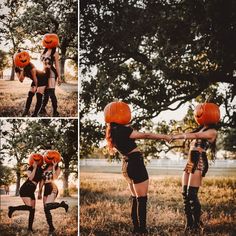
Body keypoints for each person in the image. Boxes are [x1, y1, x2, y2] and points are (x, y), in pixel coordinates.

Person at [104, 101, 170, 235]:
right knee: (142, 199)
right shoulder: (124, 130)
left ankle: (136, 227)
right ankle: (142, 230)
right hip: (135, 163)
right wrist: (164, 137)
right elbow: (146, 135)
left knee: (135, 198)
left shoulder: (112, 131)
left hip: (127, 165)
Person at [170, 103, 219, 233]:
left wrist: (177, 136)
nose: (199, 112)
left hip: (200, 159)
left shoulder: (212, 131)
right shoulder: (201, 128)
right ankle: (189, 223)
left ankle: (197, 224)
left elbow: (196, 137)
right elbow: (195, 135)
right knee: (185, 194)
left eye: (203, 111)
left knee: (192, 194)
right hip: (191, 160)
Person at [8, 154, 44, 232]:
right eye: (35, 160)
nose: (37, 161)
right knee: (29, 207)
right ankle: (12, 208)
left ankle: (30, 228)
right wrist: (34, 168)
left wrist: (40, 192)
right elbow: (30, 178)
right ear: (32, 160)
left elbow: (41, 182)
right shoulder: (30, 168)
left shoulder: (41, 170)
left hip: (32, 190)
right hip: (25, 189)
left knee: (32, 209)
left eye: (38, 160)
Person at [14, 50, 50, 117]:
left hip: (42, 78)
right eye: (18, 56)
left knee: (39, 95)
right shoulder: (16, 68)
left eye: (22, 56)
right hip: (35, 79)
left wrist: (36, 86)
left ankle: (35, 114)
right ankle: (26, 111)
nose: (22, 58)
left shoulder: (30, 65)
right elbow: (21, 80)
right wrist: (22, 69)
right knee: (30, 94)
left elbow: (34, 77)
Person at [38, 158, 68, 234]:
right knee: (46, 208)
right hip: (46, 188)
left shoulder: (57, 168)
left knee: (48, 206)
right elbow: (41, 182)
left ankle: (62, 204)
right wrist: (39, 192)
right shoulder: (44, 169)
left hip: (53, 187)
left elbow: (54, 178)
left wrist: (54, 167)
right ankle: (51, 227)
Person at [39, 33, 61, 117]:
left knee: (51, 93)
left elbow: (57, 66)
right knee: (45, 93)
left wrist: (59, 77)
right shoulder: (43, 52)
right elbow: (41, 63)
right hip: (44, 73)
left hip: (51, 74)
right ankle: (42, 109)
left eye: (51, 38)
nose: (48, 39)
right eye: (46, 38)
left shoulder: (55, 53)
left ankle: (55, 111)